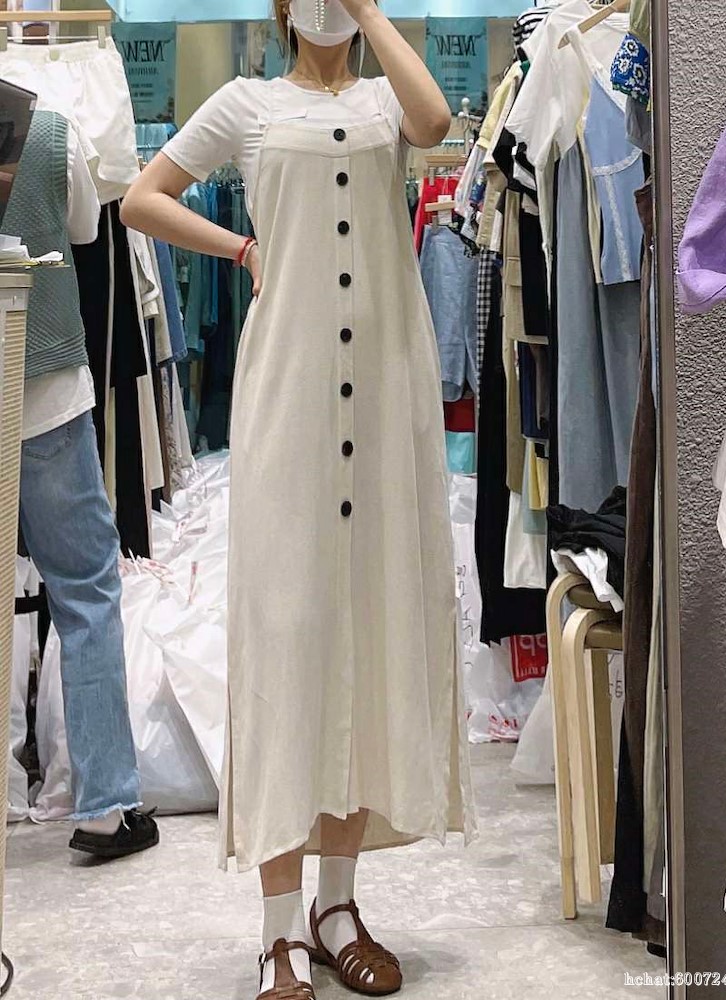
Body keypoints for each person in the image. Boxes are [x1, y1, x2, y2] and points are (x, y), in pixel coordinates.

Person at [121, 1, 475, 996]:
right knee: (288, 643)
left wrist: (368, 13)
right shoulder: (246, 105)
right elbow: (141, 199)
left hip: (387, 408)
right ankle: (279, 929)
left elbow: (434, 120)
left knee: (363, 640)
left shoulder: (384, 103)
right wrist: (240, 251)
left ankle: (338, 906)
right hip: (290, 402)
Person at [9, 106, 159, 859]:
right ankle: (104, 805)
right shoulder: (50, 131)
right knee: (86, 593)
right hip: (45, 391)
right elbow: (83, 229)